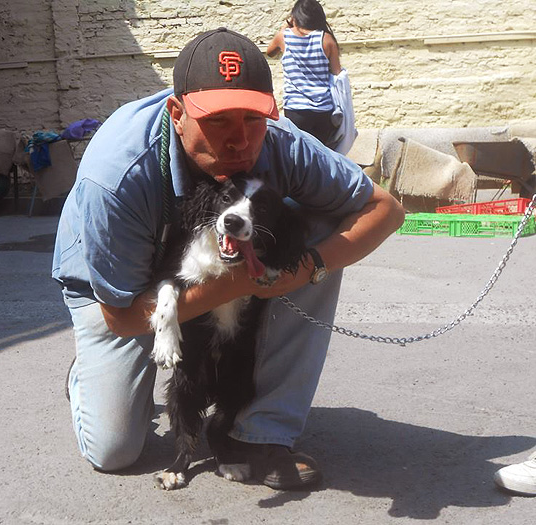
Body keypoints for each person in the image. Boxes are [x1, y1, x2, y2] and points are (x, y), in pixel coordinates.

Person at [52, 27, 405, 490]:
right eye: (217, 121)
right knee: (115, 450)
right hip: (120, 293)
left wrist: (304, 268)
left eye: (252, 120)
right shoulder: (116, 172)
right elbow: (120, 316)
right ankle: (92, 379)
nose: (240, 141)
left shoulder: (281, 142)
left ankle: (260, 433)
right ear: (177, 113)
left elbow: (385, 210)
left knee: (320, 231)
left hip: (212, 273)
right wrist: (247, 283)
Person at [266, 0, 342, 147]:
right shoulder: (326, 39)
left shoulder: (284, 36)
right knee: (322, 154)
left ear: (295, 16)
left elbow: (270, 53)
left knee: (300, 155)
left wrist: (285, 25)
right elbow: (337, 72)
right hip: (323, 110)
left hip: (296, 109)